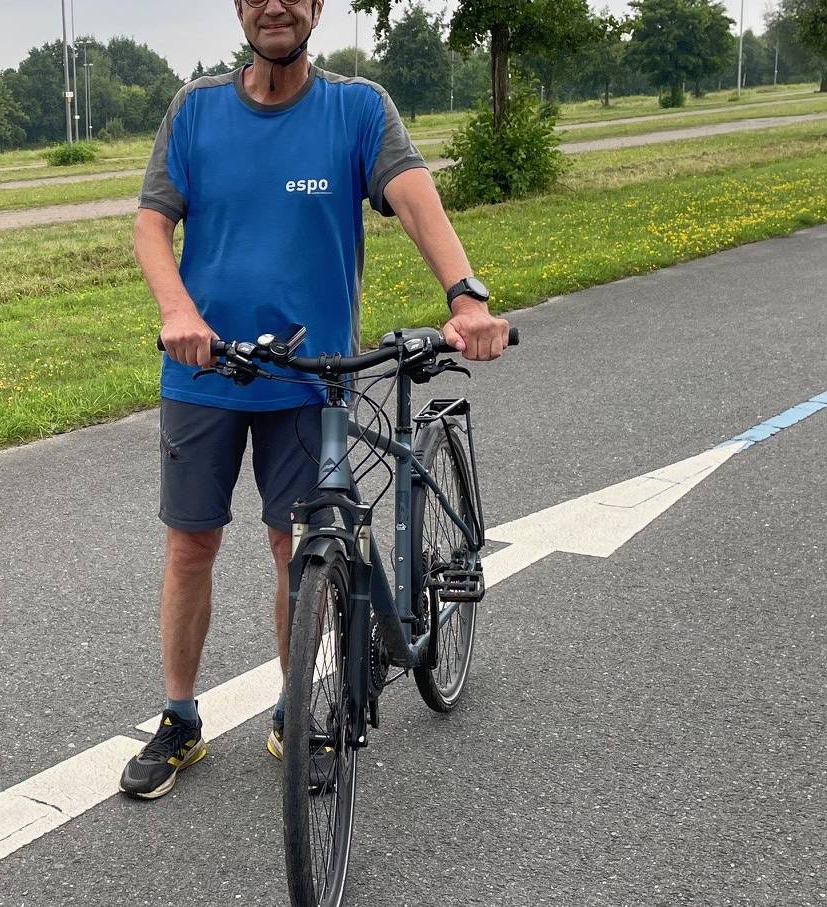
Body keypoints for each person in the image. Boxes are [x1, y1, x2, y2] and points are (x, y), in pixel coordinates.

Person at [118, 0, 511, 800]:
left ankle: (300, 711)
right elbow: (152, 226)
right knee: (190, 546)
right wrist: (177, 312)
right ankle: (180, 718)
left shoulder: (356, 109)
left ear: (317, 8)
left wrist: (465, 294)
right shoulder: (195, 110)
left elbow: (413, 197)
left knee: (293, 551)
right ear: (238, 7)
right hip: (206, 374)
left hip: (312, 377)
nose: (276, 6)